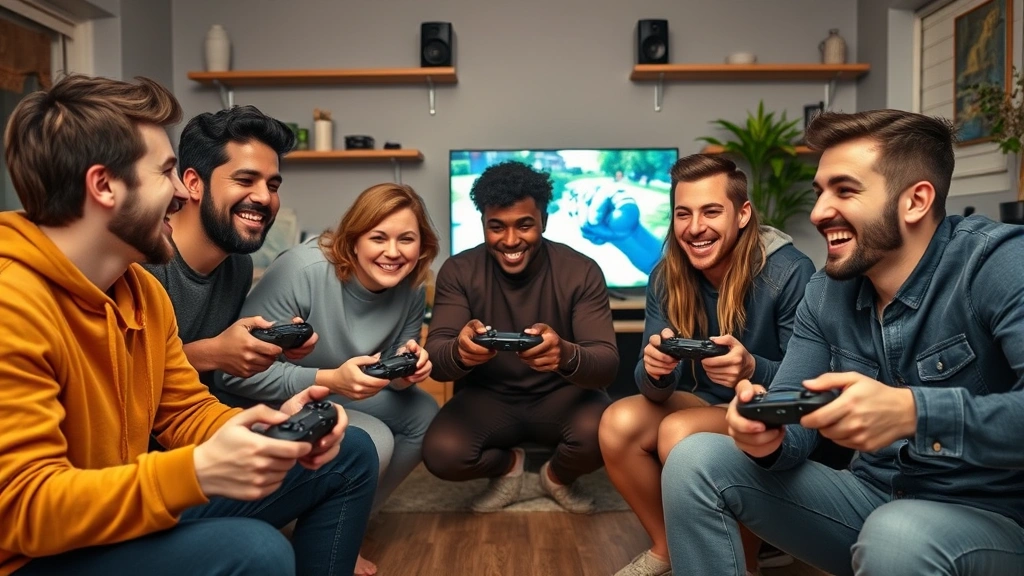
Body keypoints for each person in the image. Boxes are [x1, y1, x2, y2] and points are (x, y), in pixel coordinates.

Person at [0, 74, 377, 576]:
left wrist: (264, 428)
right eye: (166, 172)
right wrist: (194, 472)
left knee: (348, 451)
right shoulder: (13, 303)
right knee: (257, 551)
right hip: (34, 553)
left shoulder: (142, 293)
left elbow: (183, 411)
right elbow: (22, 511)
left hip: (121, 507)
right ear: (104, 186)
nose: (182, 191)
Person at [662, 109, 1024, 576]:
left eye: (845, 190)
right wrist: (764, 437)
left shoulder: (997, 264)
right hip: (872, 503)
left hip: (993, 520)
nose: (816, 212)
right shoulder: (827, 291)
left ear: (915, 200)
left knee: (898, 533)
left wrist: (915, 412)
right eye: (819, 192)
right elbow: (793, 428)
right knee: (695, 457)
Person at [599, 154, 815, 576]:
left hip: (770, 412)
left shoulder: (789, 272)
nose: (695, 227)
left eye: (710, 211)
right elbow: (652, 388)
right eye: (684, 213)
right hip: (702, 403)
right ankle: (668, 549)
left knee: (678, 432)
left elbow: (805, 388)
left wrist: (752, 368)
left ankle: (744, 562)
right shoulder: (666, 274)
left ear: (742, 214)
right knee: (616, 421)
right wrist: (657, 370)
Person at [220, 182, 440, 576]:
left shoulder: (412, 285)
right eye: (378, 237)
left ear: (421, 246)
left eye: (406, 239)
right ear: (353, 240)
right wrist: (330, 379)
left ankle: (342, 523)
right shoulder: (301, 271)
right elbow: (231, 374)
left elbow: (390, 363)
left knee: (423, 411)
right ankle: (322, 528)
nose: (393, 252)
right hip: (269, 397)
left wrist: (406, 372)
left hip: (339, 388)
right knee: (375, 439)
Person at [421, 160, 619, 513]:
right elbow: (436, 360)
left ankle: (554, 477)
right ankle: (510, 467)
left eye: (524, 225)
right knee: (441, 453)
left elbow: (606, 364)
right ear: (482, 223)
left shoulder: (581, 270)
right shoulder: (459, 271)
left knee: (611, 434)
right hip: (489, 398)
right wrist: (460, 352)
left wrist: (566, 354)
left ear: (543, 221)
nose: (510, 240)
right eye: (496, 227)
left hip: (563, 396)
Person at [142, 104, 316, 396]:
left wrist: (264, 346)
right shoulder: (145, 262)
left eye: (272, 185)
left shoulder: (238, 266)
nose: (265, 197)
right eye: (245, 180)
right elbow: (119, 375)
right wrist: (212, 353)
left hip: (203, 418)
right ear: (194, 184)